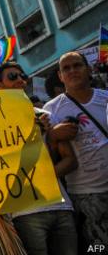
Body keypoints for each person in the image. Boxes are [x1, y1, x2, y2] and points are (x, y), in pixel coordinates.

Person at [0, 62, 77, 255]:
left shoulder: (45, 116)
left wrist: (43, 176)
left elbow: (69, 160)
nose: (21, 80)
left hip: (61, 207)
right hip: (26, 214)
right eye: (12, 77)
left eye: (22, 76)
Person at [44, 52, 108, 248]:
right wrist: (53, 136)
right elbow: (48, 159)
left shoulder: (105, 99)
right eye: (66, 68)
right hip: (86, 197)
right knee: (98, 248)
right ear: (60, 76)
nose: (72, 71)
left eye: (77, 65)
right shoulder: (50, 110)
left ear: (88, 69)